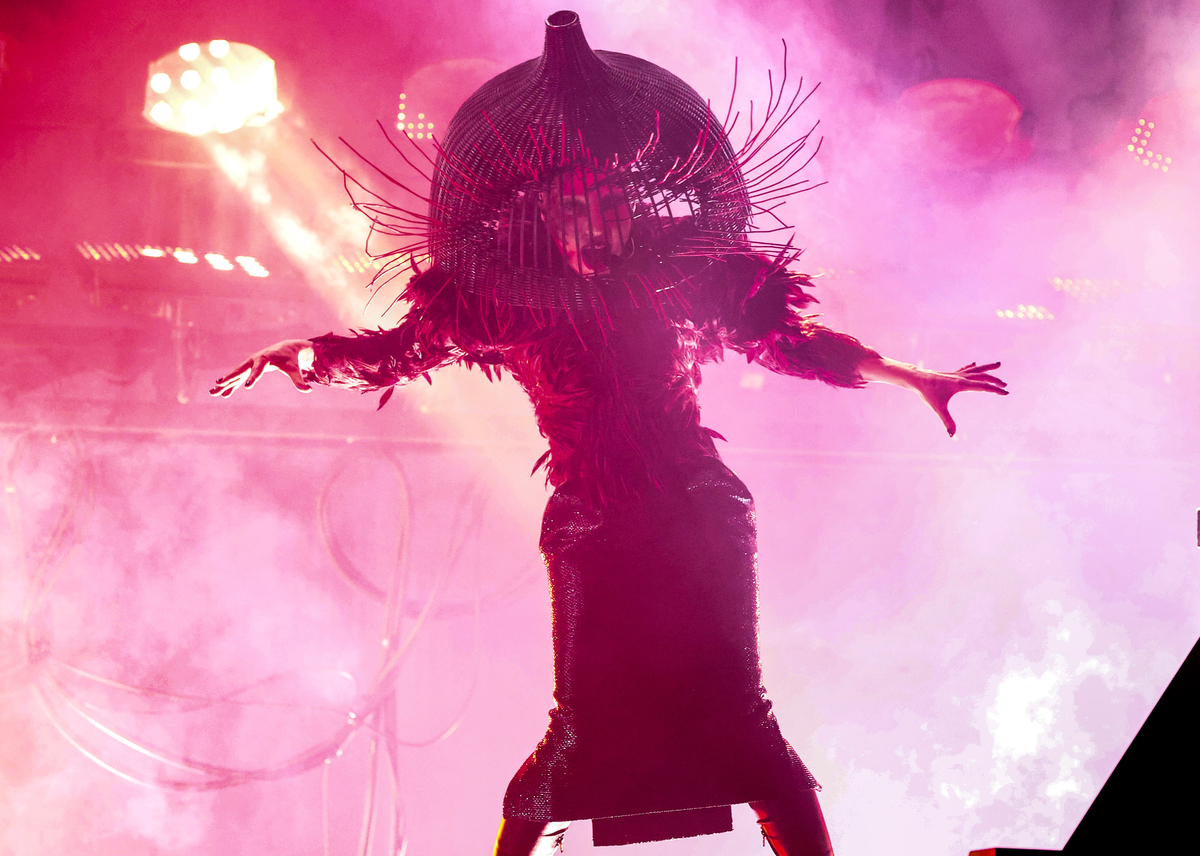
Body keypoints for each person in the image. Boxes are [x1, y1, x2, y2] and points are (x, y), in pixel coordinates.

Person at [212, 11, 1006, 856]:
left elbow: (791, 340)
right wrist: (303, 355)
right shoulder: (503, 302)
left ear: (634, 210)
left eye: (612, 209)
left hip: (699, 512)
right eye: (577, 214)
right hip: (589, 522)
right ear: (544, 221)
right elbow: (397, 353)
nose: (597, 229)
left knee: (743, 722)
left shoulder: (688, 278)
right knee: (578, 733)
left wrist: (911, 376)